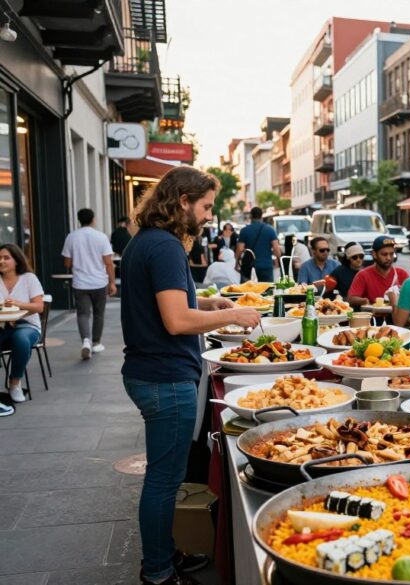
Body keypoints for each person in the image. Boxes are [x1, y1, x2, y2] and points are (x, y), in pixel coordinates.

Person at [121, 167, 261, 585]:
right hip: (165, 379)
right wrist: (235, 313)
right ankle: (159, 571)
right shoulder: (163, 246)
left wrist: (212, 301)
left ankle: (164, 554)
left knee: (165, 478)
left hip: (151, 373)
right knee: (164, 482)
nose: (207, 216)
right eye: (205, 207)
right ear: (183, 201)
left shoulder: (146, 241)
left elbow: (170, 300)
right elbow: (177, 320)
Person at [62, 208, 117, 360]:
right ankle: (96, 342)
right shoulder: (101, 237)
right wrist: (112, 282)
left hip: (80, 283)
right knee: (99, 313)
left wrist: (78, 259)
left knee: (83, 314)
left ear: (79, 220)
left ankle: (85, 340)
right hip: (99, 282)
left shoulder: (71, 237)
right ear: (93, 219)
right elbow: (108, 263)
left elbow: (67, 262)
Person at [0, 244, 44, 410]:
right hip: (2, 326)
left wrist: (18, 304)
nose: (2, 261)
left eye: (6, 258)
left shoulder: (28, 278)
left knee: (21, 339)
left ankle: (15, 382)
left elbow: (39, 307)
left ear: (16, 260)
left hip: (27, 325)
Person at [348, 235, 409, 308]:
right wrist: (364, 301)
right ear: (374, 254)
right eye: (384, 254)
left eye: (391, 254)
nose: (389, 258)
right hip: (373, 318)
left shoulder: (402, 274)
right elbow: (351, 299)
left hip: (396, 318)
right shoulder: (363, 275)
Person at [236, 207, 280, 282]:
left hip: (249, 266)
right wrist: (278, 262)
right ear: (261, 216)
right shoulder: (270, 230)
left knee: (249, 291)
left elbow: (240, 249)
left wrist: (237, 263)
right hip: (266, 265)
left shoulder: (244, 231)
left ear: (251, 216)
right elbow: (276, 249)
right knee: (267, 290)